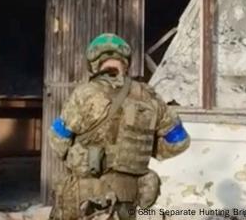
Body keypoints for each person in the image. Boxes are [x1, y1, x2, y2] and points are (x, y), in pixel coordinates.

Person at [48, 33, 190, 220]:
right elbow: (179, 141)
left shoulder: (84, 94)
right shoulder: (150, 97)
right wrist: (145, 148)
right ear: (126, 63)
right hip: (126, 202)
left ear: (94, 64)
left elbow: (58, 143)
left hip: (83, 202)